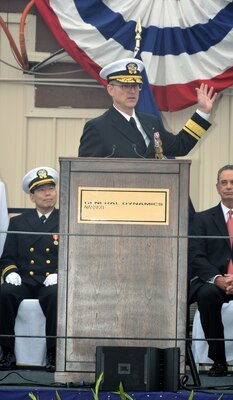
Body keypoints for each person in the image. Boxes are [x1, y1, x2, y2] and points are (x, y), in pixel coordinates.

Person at [78, 58, 217, 158]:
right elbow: (84, 171)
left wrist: (202, 113)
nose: (132, 91)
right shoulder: (98, 127)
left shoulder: (151, 123)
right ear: (110, 89)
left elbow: (181, 146)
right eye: (125, 86)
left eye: (136, 86)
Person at [0, 166, 59, 371]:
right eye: (41, 190)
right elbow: (7, 257)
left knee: (56, 295)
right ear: (32, 197)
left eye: (51, 188)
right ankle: (6, 351)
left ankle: (54, 353)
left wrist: (63, 273)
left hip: (51, 280)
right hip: (25, 279)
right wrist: (11, 272)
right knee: (5, 292)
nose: (48, 193)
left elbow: (74, 255)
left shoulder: (66, 220)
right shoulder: (18, 222)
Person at [189, 165, 233, 377]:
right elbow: (196, 256)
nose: (229, 187)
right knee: (206, 296)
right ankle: (219, 362)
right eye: (224, 183)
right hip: (214, 282)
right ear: (217, 187)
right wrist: (217, 279)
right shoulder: (202, 219)